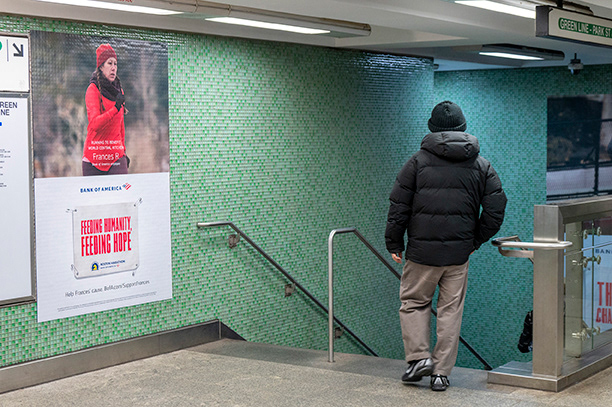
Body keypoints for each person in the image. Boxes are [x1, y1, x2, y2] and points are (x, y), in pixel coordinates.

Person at [385, 101, 507, 391]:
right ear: (463, 128)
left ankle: (419, 359)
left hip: (421, 254)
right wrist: (475, 240)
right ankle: (440, 374)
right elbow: (496, 210)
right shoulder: (481, 165)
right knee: (450, 311)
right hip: (457, 256)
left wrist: (394, 241)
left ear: (432, 128)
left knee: (414, 302)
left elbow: (399, 206)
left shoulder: (416, 163)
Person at [83, 43, 128, 176]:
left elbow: (120, 126)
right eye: (110, 63)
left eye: (115, 64)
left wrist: (124, 152)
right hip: (94, 159)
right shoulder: (93, 90)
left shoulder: (119, 91)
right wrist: (115, 108)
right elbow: (95, 124)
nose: (114, 68)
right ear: (101, 66)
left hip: (116, 157)